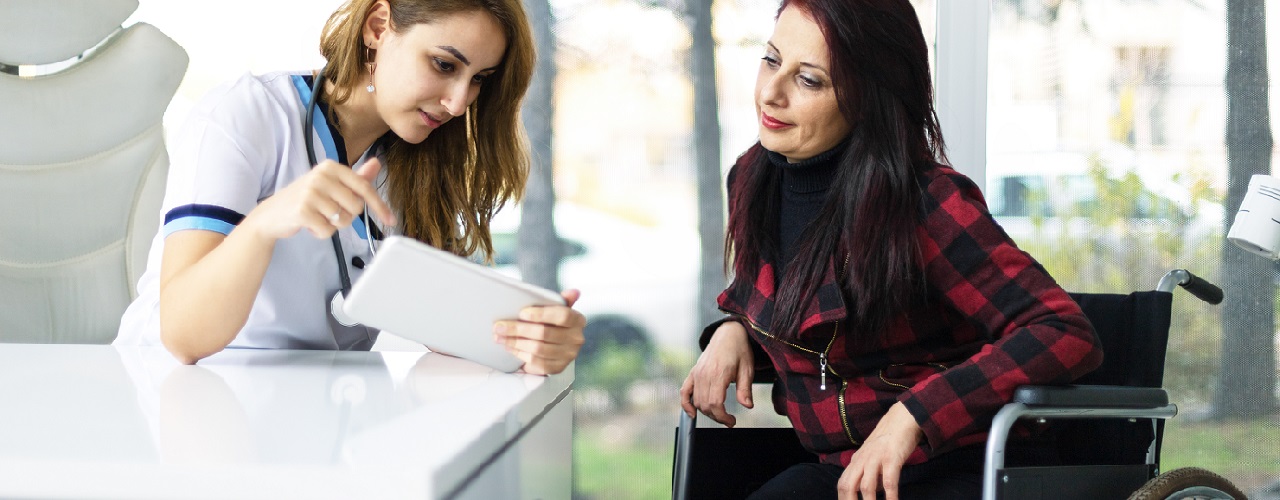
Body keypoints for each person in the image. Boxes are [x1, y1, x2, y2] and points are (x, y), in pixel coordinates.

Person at [678, 1, 1103, 498]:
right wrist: (734, 331)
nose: (770, 94)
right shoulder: (752, 180)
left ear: (868, 96)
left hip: (964, 461)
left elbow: (1065, 332)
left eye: (809, 80)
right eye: (771, 60)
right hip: (847, 469)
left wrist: (913, 416)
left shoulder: (925, 203)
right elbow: (802, 316)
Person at [115, 0, 585, 375]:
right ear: (378, 28)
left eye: (478, 80)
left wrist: (532, 339)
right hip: (172, 397)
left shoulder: (415, 160)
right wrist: (263, 224)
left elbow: (442, 318)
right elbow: (182, 337)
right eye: (444, 65)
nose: (459, 102)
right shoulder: (246, 115)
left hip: (308, 409)